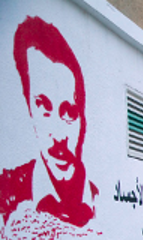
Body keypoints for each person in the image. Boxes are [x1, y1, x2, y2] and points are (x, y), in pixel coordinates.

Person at [1, 16, 98, 228]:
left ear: (83, 121)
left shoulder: (100, 200)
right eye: (43, 108)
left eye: (69, 113)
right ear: (29, 109)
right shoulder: (7, 195)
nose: (58, 136)